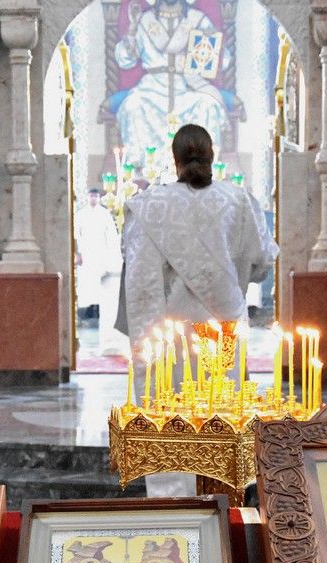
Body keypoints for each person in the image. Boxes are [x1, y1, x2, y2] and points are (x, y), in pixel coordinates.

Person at [120, 123, 276, 360]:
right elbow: (262, 262)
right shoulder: (238, 200)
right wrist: (231, 276)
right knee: (223, 383)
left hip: (172, 327)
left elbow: (138, 270)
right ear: (211, 157)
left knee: (171, 383)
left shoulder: (149, 205)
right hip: (226, 320)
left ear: (176, 160)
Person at [113, 0, 228, 160]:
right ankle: (140, 167)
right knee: (132, 105)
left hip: (187, 86)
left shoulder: (198, 20)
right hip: (151, 88)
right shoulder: (144, 20)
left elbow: (223, 60)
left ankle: (201, 165)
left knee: (208, 105)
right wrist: (132, 28)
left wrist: (212, 45)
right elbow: (125, 60)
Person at [75, 188, 125, 352]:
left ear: (99, 198)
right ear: (87, 197)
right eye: (91, 196)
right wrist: (77, 253)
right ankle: (87, 312)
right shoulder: (81, 214)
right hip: (86, 252)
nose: (93, 199)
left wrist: (111, 255)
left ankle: (97, 312)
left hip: (100, 253)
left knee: (101, 288)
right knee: (87, 286)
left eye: (96, 196)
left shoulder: (104, 215)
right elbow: (76, 234)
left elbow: (111, 236)